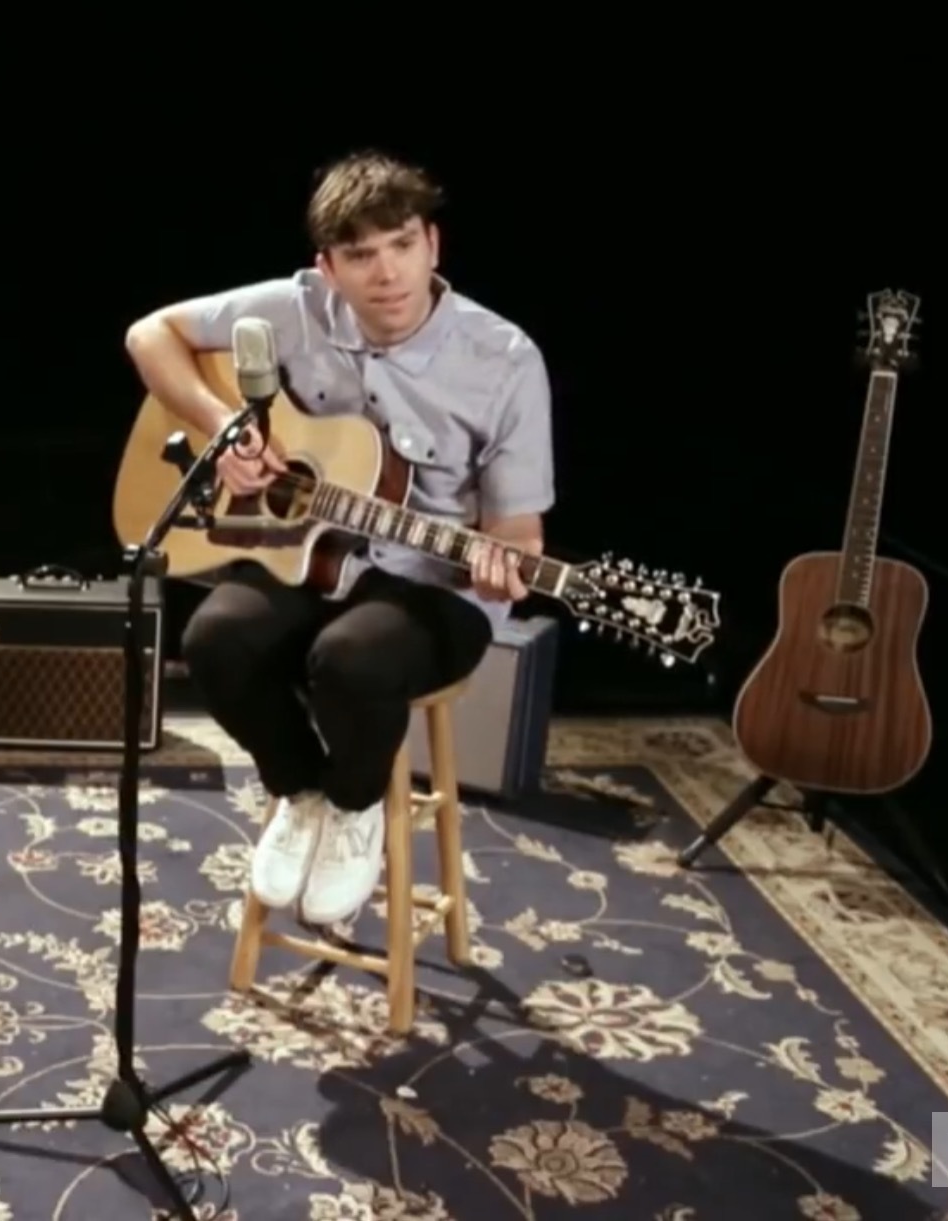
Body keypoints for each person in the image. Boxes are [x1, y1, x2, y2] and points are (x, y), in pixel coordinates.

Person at [123, 150, 554, 928]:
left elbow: (517, 531)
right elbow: (148, 335)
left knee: (351, 659)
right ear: (327, 268)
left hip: (432, 584)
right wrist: (221, 426)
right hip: (308, 555)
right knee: (216, 639)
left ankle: (355, 805)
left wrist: (504, 563)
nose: (386, 273)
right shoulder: (294, 309)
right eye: (360, 255)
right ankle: (300, 790)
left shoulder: (507, 360)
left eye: (402, 244)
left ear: (432, 244)